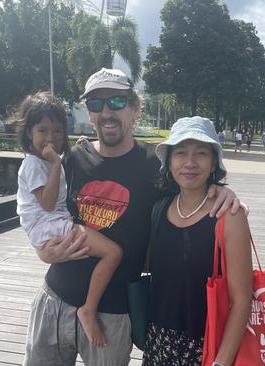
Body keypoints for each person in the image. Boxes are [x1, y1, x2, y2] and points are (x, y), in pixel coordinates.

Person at [23, 68, 243, 366]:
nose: (106, 112)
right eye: (96, 104)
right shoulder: (74, 158)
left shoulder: (157, 165)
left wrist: (222, 190)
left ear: (135, 108)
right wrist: (42, 251)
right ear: (89, 113)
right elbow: (43, 210)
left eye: (116, 101)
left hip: (113, 313)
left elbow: (192, 181)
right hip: (55, 299)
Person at [14, 92, 122, 348]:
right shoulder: (34, 164)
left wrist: (64, 156)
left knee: (110, 253)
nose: (51, 138)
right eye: (42, 130)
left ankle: (87, 308)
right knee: (113, 253)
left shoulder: (44, 161)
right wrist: (54, 164)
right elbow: (48, 203)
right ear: (29, 132)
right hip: (51, 226)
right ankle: (88, 309)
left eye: (58, 131)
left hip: (50, 226)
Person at [144, 116, 252, 365]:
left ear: (214, 161)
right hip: (159, 343)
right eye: (181, 153)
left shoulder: (229, 216)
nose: (190, 163)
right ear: (169, 161)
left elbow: (242, 300)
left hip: (208, 346)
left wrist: (220, 362)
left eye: (201, 153)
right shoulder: (159, 209)